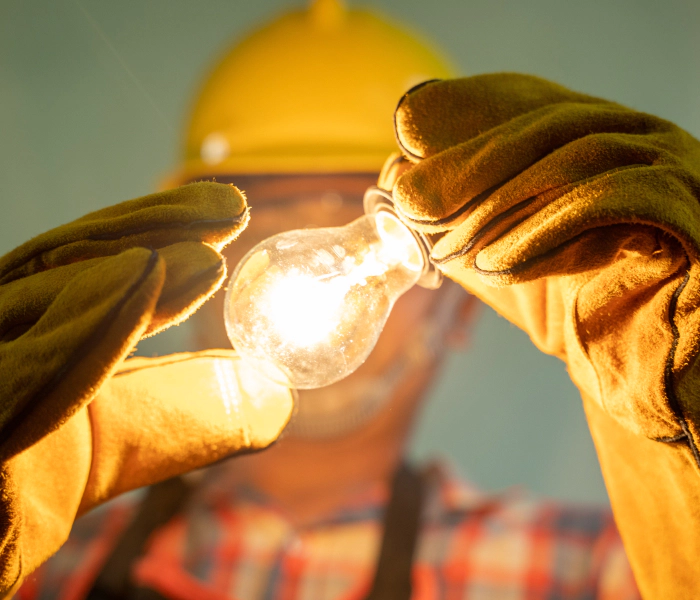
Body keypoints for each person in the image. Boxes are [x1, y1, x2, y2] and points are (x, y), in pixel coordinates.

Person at [5, 0, 700, 598]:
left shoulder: (587, 572)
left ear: (461, 305)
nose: (334, 274)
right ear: (197, 271)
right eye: (269, 226)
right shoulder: (42, 553)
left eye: (343, 211)